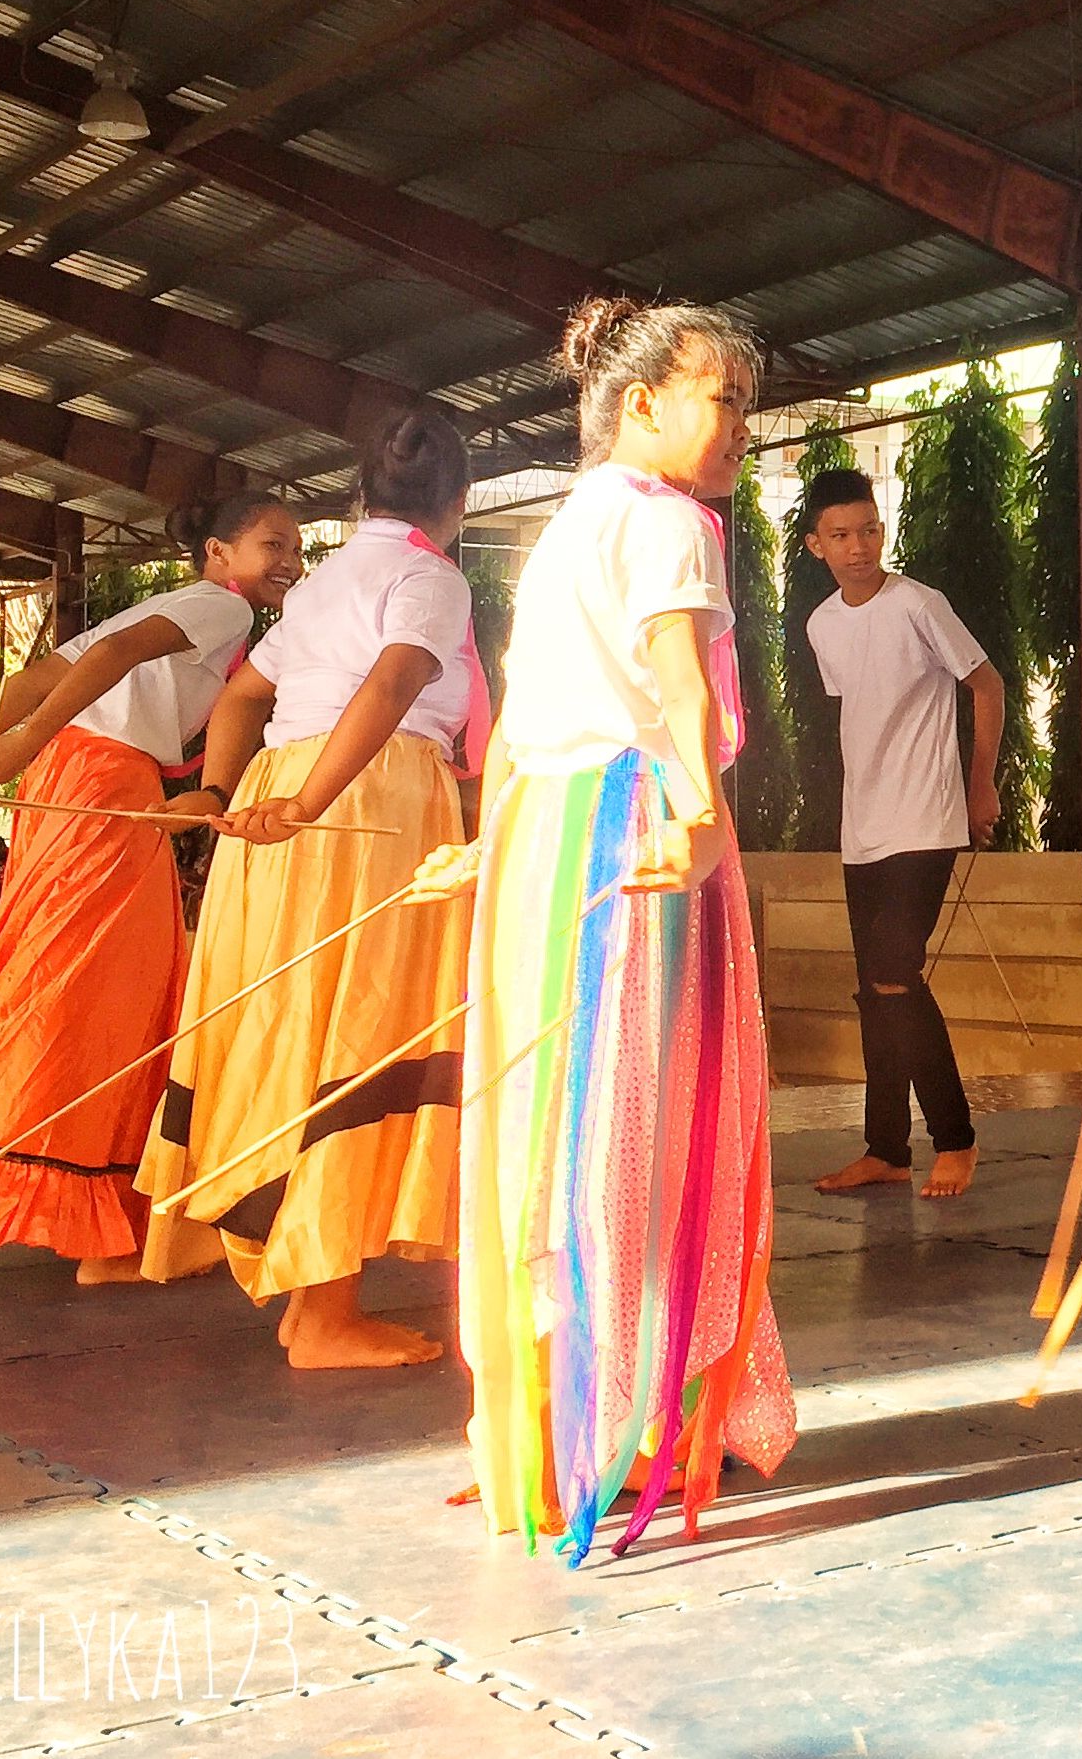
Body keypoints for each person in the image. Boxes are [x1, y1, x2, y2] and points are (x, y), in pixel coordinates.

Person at [418, 297, 791, 1563]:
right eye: (721, 397)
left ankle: (539, 1430)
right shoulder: (670, 521)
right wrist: (701, 819)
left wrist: (493, 842)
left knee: (543, 1132)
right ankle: (634, 1430)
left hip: (549, 833)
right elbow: (679, 686)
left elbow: (527, 713)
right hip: (637, 833)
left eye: (743, 399)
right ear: (642, 403)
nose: (739, 424)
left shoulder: (570, 522)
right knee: (652, 1126)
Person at [0, 494, 302, 1282]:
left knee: (82, 982)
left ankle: (101, 1221)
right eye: (274, 543)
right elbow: (106, 659)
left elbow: (42, 675)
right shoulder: (221, 611)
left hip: (80, 776)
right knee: (106, 997)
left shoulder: (184, 603)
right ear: (220, 552)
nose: (291, 560)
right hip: (106, 783)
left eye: (296, 546)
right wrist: (22, 737)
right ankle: (101, 1225)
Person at [136, 406, 483, 1370]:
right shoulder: (430, 576)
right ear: (459, 501)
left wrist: (222, 785)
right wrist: (312, 801)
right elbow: (400, 676)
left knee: (292, 1022)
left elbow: (247, 694)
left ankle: (311, 1299)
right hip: (359, 802)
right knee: (358, 1030)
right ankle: (324, 1310)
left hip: (280, 796)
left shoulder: (324, 582)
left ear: (357, 498)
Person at [799, 467, 1005, 1202]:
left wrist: (980, 783)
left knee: (895, 975)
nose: (860, 546)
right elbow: (860, 713)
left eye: (870, 529)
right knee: (875, 990)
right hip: (865, 828)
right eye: (842, 534)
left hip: (926, 821)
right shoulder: (824, 623)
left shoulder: (920, 604)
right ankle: (885, 1147)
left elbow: (987, 683)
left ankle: (956, 1137)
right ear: (816, 543)